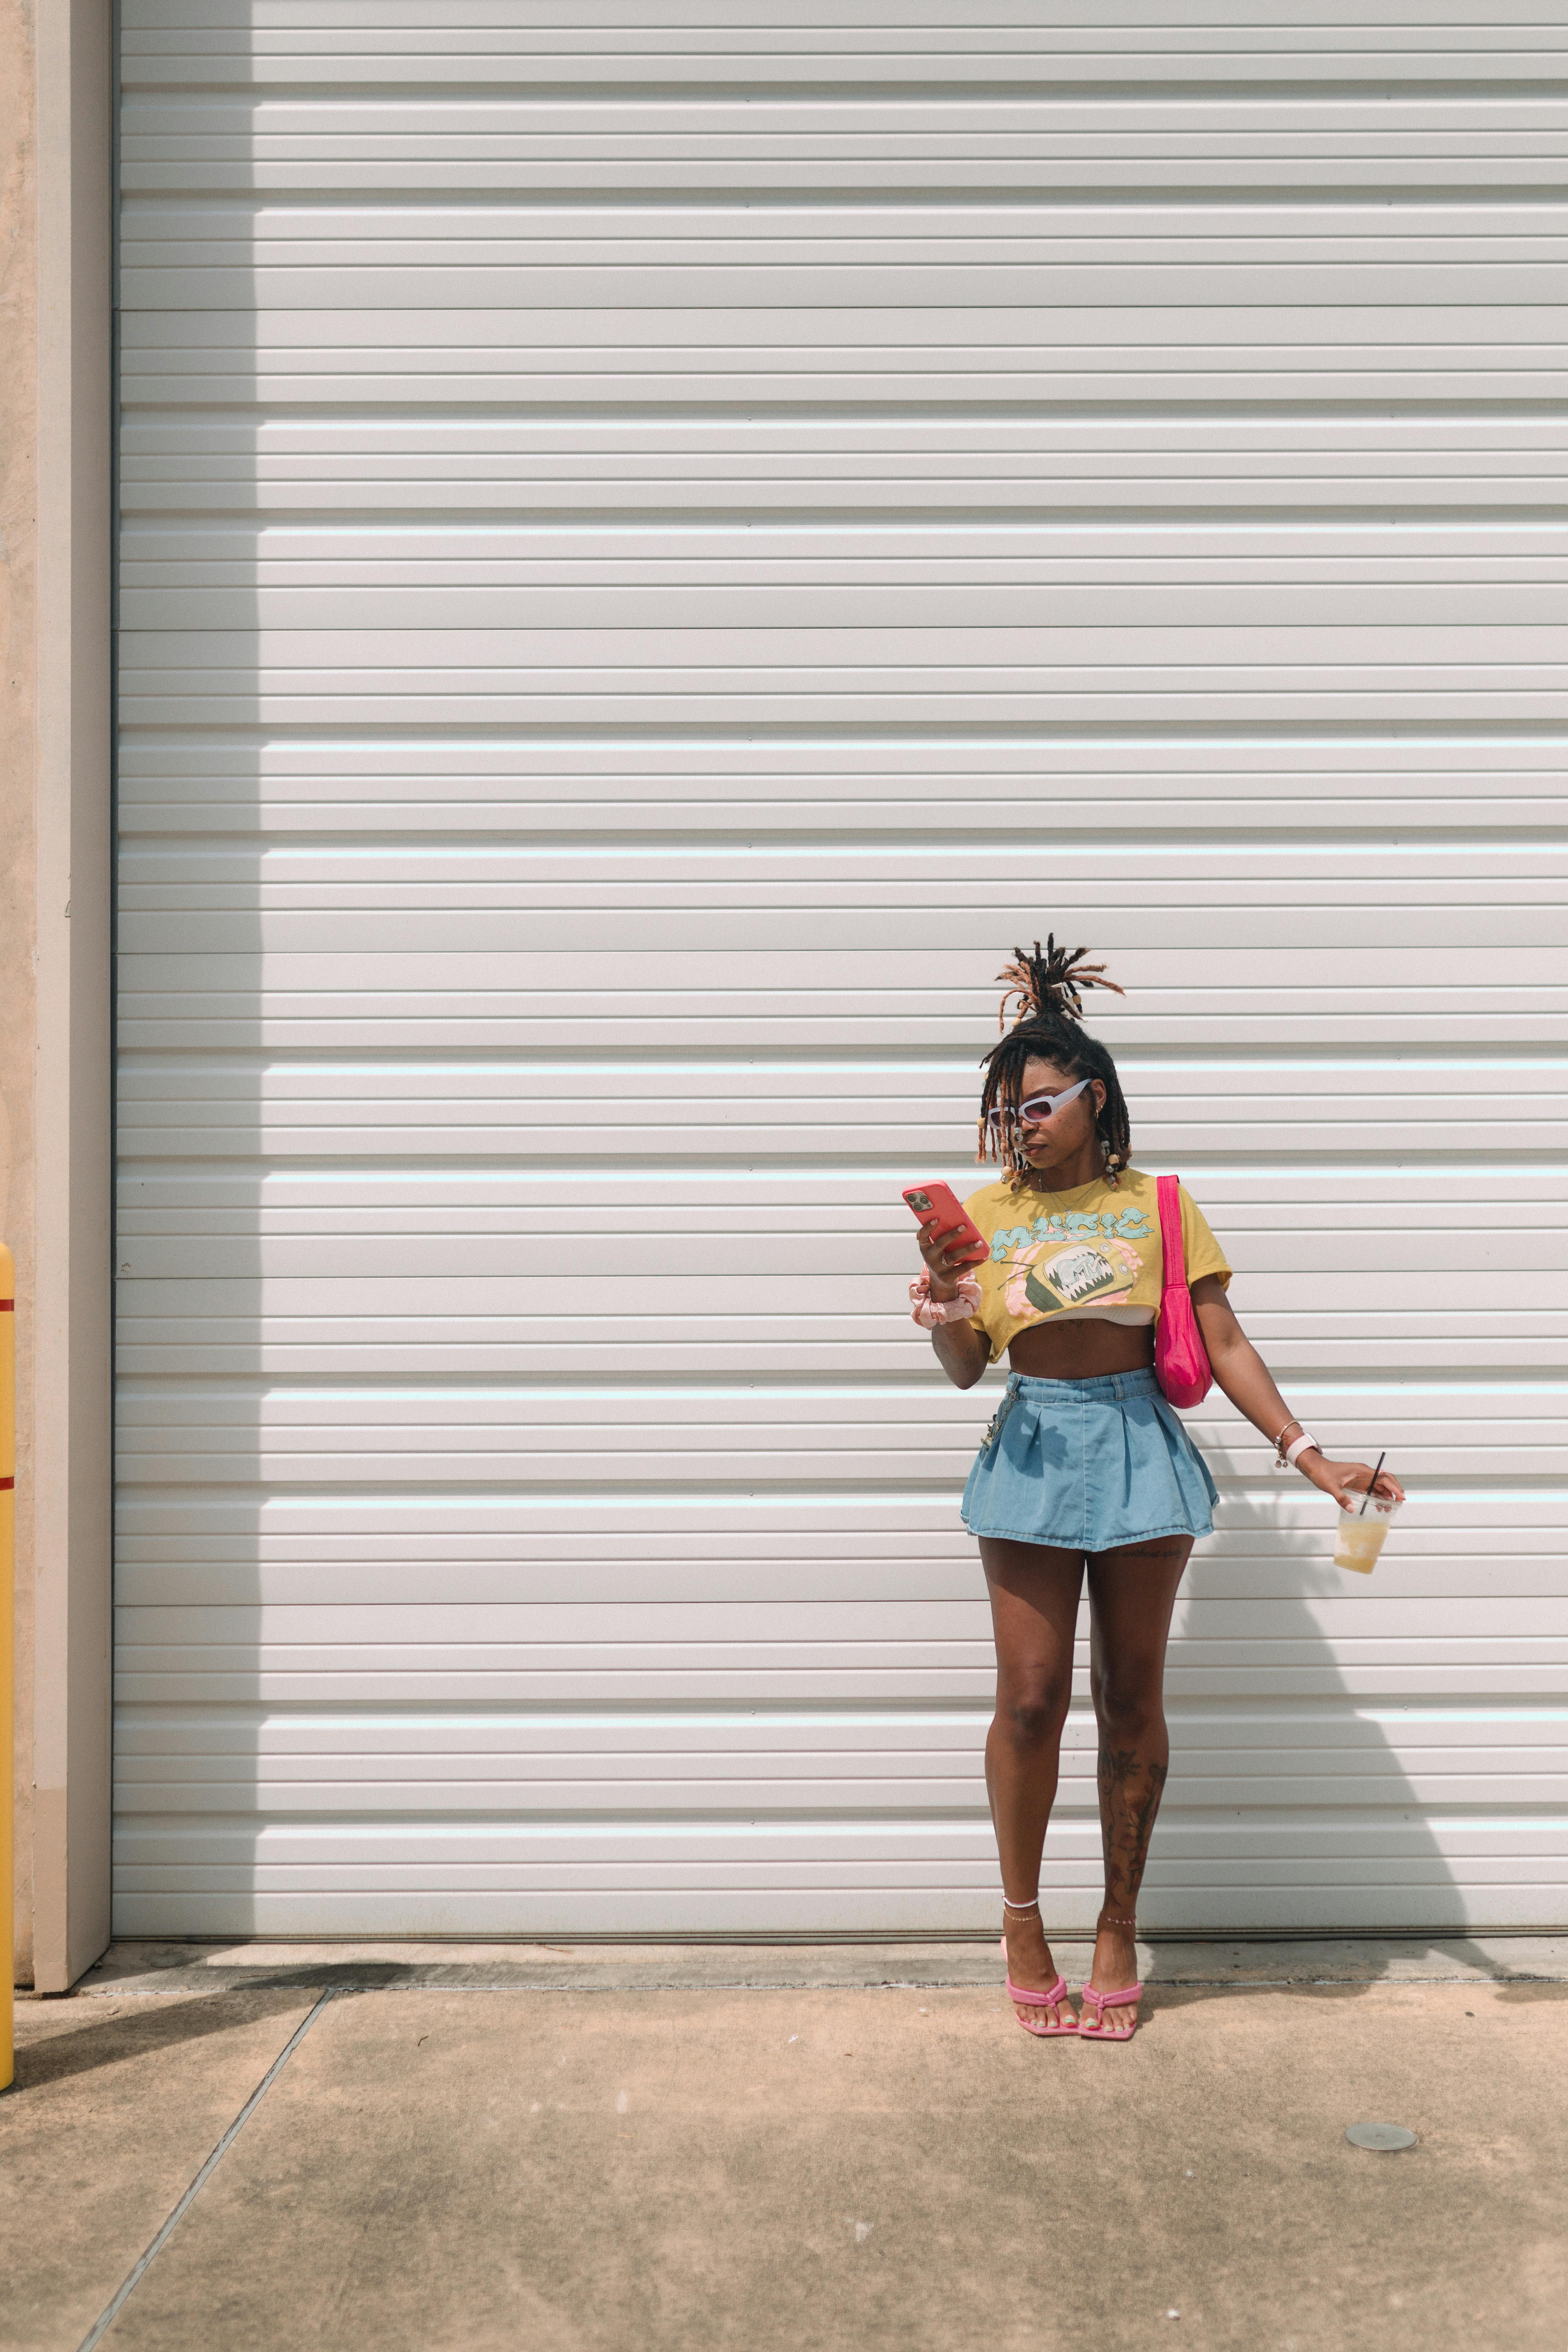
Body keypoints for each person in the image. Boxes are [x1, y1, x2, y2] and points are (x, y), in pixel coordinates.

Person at [910, 939, 1404, 2041]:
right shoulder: (982, 1219)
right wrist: (947, 1308)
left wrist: (1312, 1457)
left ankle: (1118, 1923)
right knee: (1030, 1699)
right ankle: (1021, 1919)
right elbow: (965, 1368)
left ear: (1096, 1098)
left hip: (1138, 1442)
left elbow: (1220, 1339)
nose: (1021, 1124)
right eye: (1007, 1112)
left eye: (1038, 1103)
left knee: (1131, 1700)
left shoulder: (1160, 1205)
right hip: (1033, 1446)